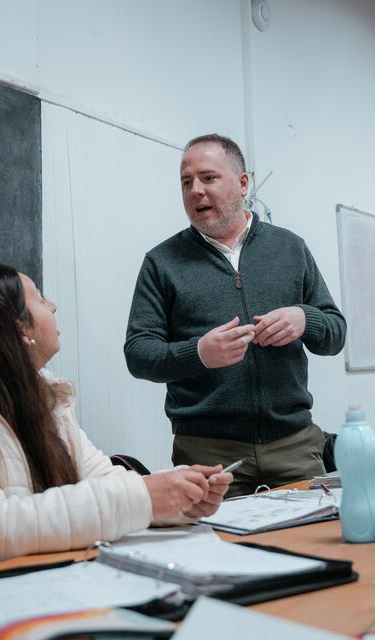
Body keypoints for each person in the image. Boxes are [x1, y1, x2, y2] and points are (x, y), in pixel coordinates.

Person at [0, 264, 233, 570]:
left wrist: (175, 500)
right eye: (39, 298)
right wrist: (146, 498)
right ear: (20, 328)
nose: (52, 306)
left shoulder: (43, 393)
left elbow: (101, 478)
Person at [123, 133, 347, 496]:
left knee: (311, 545)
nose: (195, 190)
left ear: (243, 183)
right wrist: (198, 353)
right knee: (218, 550)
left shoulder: (290, 248)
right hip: (206, 453)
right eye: (186, 182)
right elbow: (138, 354)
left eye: (208, 178)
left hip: (294, 444)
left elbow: (336, 333)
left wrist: (306, 319)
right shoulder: (161, 262)